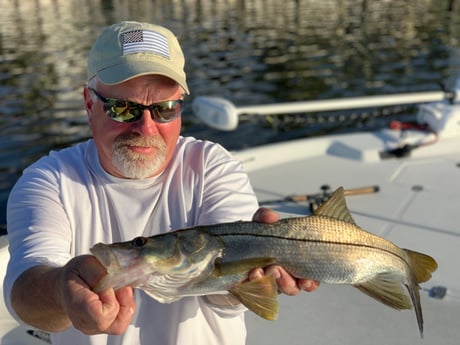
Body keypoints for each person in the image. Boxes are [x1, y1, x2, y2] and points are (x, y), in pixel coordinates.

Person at [3, 21, 318, 345]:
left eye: (164, 109)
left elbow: (224, 293)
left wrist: (256, 280)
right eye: (123, 109)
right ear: (88, 102)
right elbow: (25, 290)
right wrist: (60, 290)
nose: (146, 127)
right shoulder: (48, 180)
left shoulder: (212, 166)